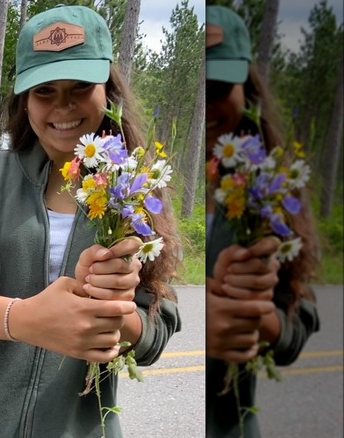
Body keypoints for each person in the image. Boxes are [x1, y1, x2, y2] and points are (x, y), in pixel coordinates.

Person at [0, 5, 182, 437]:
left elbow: (155, 327)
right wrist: (26, 319)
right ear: (23, 99)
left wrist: (118, 312)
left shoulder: (134, 192)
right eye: (44, 91)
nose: (63, 106)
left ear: (108, 93)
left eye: (79, 88)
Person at [204, 5, 321, 438]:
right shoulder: (148, 190)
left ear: (247, 91)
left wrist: (260, 320)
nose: (208, 105)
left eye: (218, 88)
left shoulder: (273, 189)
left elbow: (300, 318)